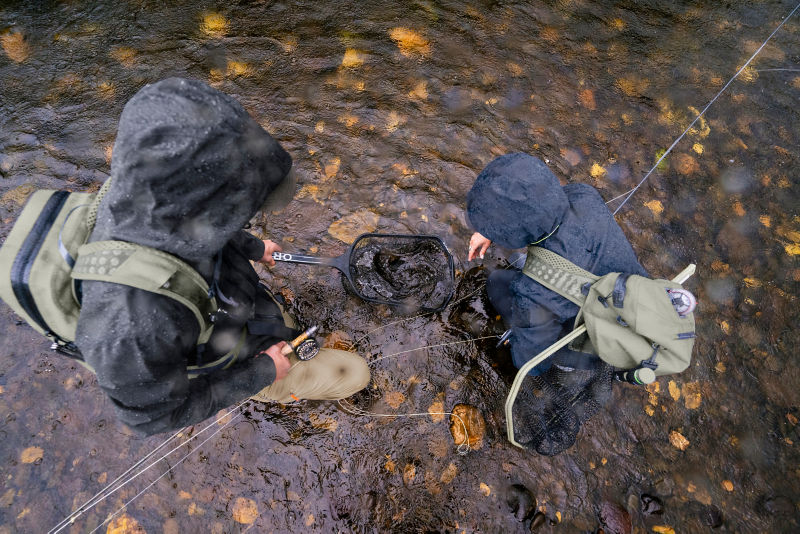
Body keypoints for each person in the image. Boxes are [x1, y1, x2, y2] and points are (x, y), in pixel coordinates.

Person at [75, 78, 369, 436]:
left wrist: (254, 248)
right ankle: (277, 386)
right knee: (357, 374)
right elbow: (152, 418)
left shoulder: (144, 192)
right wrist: (262, 372)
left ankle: (277, 333)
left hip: (235, 309)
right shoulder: (129, 330)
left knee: (284, 320)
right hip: (235, 360)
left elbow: (201, 225)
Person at [465, 152, 648, 375]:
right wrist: (491, 230)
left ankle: (567, 362)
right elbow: (538, 206)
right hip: (633, 301)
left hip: (603, 342)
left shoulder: (534, 295)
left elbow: (532, 365)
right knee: (527, 273)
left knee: (497, 283)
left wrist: (522, 338)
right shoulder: (583, 195)